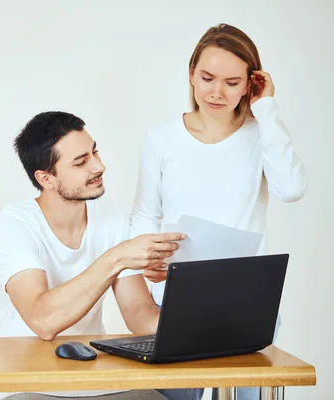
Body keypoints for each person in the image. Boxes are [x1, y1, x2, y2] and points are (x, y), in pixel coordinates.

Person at [130, 23, 308, 400]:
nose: (216, 91)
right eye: (207, 77)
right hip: (177, 297)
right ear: (191, 74)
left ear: (250, 84)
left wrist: (268, 108)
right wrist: (148, 262)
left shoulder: (261, 133)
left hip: (247, 300)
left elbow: (291, 189)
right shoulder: (162, 139)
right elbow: (145, 213)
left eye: (231, 82)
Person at [0, 111, 198, 400]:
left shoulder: (109, 217)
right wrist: (117, 258)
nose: (99, 165)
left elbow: (139, 313)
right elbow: (43, 321)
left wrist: (202, 329)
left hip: (96, 379)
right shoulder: (12, 227)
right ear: (46, 178)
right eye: (81, 162)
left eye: (94, 151)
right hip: (26, 384)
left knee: (182, 389)